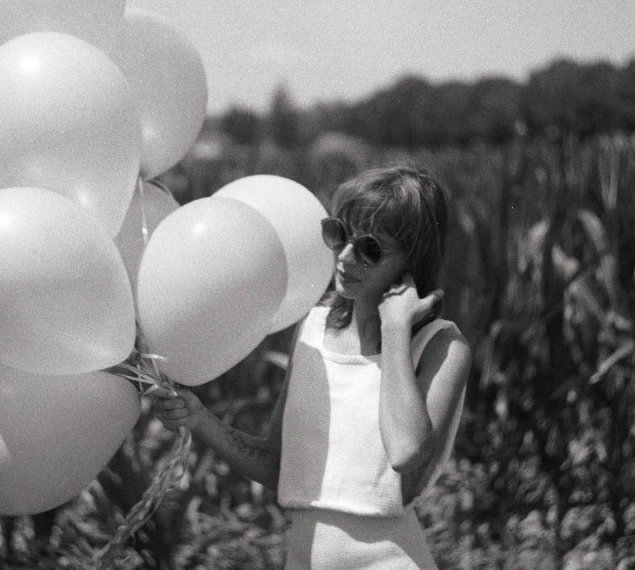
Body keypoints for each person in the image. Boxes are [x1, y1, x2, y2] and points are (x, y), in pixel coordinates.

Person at [152, 162, 472, 569]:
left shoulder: (442, 346)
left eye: (370, 248)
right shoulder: (313, 327)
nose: (345, 256)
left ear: (412, 263)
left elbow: (406, 451)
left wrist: (393, 332)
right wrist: (199, 419)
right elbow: (278, 466)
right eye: (339, 234)